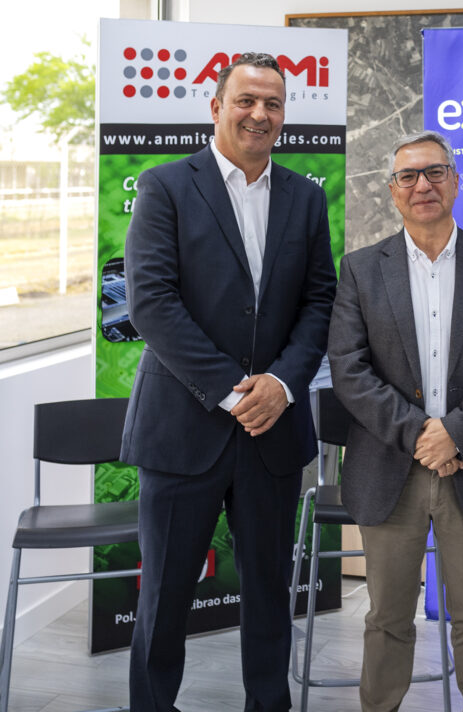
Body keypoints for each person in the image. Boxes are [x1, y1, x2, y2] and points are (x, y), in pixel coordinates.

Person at [121, 52, 337, 711]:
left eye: (273, 103)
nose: (259, 114)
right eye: (246, 100)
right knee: (164, 596)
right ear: (216, 107)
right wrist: (235, 390)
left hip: (273, 431)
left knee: (270, 594)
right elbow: (152, 303)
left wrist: (282, 384)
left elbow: (319, 302)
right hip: (183, 430)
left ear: (284, 115)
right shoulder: (164, 186)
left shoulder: (305, 196)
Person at [327, 130, 463, 712]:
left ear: (456, 182)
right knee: (387, 617)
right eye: (408, 176)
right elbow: (348, 369)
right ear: (392, 191)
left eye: (434, 172)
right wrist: (423, 436)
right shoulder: (361, 269)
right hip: (390, 467)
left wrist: (457, 433)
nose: (422, 185)